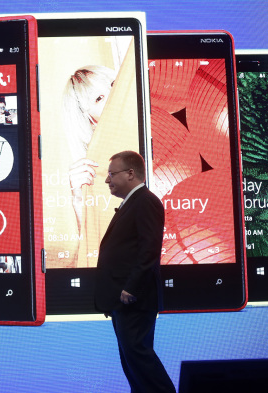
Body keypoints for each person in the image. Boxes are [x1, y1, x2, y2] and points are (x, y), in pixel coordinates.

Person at [94, 150, 175, 393]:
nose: (107, 180)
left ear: (130, 174)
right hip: (124, 302)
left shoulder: (146, 201)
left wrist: (131, 288)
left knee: (140, 360)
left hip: (134, 300)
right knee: (133, 363)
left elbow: (148, 250)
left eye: (111, 174)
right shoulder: (133, 202)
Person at [62, 65, 116, 232]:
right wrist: (79, 200)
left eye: (114, 84)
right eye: (99, 98)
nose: (113, 96)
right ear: (90, 121)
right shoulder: (100, 174)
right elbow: (93, 251)